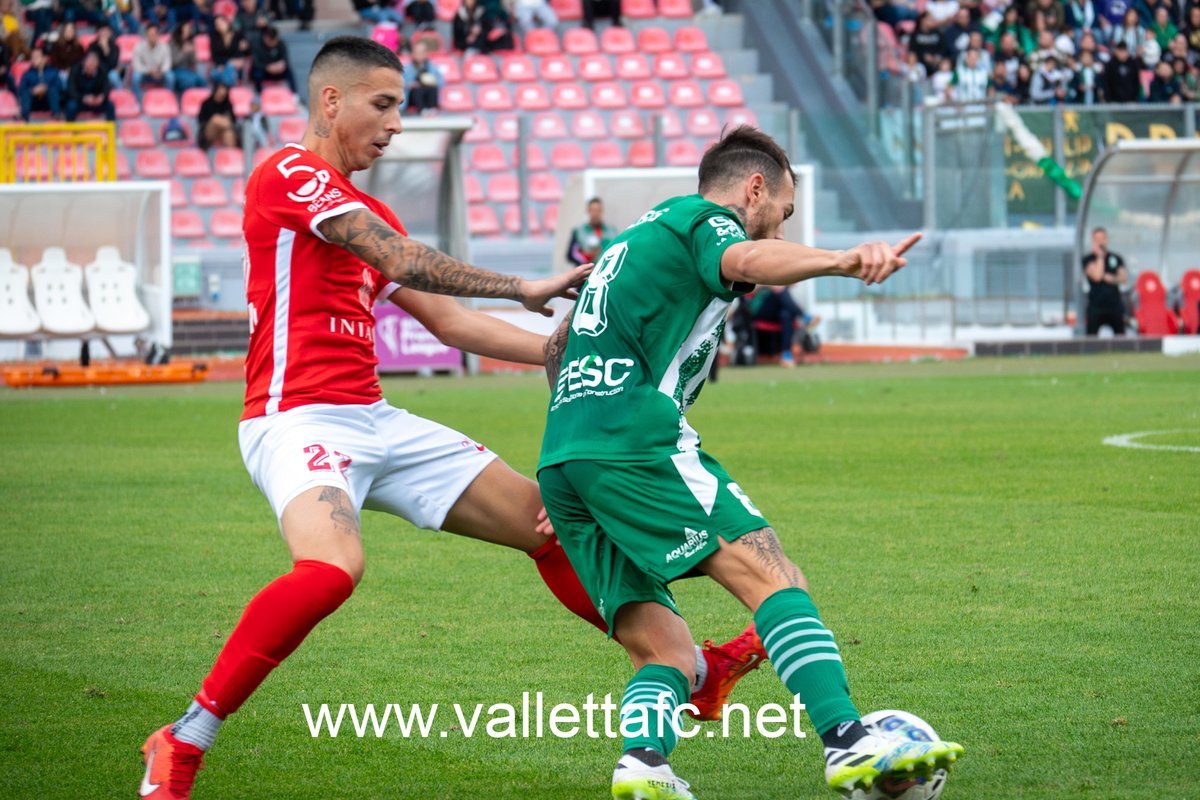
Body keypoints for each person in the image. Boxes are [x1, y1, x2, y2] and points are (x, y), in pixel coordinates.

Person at [138, 37, 765, 800]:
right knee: (334, 570)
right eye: (384, 103)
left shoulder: (368, 208)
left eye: (399, 106)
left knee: (550, 520)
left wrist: (574, 352)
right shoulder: (288, 175)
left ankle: (692, 670)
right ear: (330, 101)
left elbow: (456, 327)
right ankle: (184, 737)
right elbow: (401, 260)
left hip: (374, 417)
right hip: (294, 419)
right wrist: (523, 285)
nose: (396, 123)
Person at [536, 126, 964, 800]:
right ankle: (848, 742)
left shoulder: (626, 241)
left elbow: (557, 347)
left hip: (565, 454)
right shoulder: (704, 219)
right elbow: (745, 260)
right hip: (634, 437)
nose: (779, 227)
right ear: (754, 189)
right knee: (773, 573)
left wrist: (586, 434)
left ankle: (643, 767)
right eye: (783, 214)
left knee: (665, 649)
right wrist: (842, 262)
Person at [1082, 226, 1128, 335]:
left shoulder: (1116, 258)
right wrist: (1100, 257)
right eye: (1097, 240)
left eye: (1102, 239)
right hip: (1096, 306)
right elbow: (1097, 277)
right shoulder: (1088, 259)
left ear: (1106, 239)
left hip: (1114, 305)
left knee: (1120, 336)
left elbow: (1123, 278)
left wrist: (1112, 279)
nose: (1100, 242)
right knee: (1092, 337)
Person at [65, 49, 115, 119]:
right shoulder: (75, 70)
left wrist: (102, 97)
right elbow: (71, 90)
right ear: (84, 63)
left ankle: (111, 129)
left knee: (110, 106)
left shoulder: (102, 70)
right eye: (89, 64)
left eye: (94, 64)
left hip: (96, 100)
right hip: (80, 100)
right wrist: (83, 98)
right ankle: (70, 129)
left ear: (97, 64)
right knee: (71, 106)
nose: (91, 67)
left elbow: (106, 87)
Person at [567, 197, 615, 267]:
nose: (595, 214)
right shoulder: (579, 232)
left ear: (602, 211)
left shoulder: (611, 231)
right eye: (593, 210)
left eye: (598, 210)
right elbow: (571, 255)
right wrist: (588, 256)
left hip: (605, 272)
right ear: (588, 211)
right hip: (586, 274)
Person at [18, 47, 61, 120]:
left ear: (45, 58)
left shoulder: (53, 72)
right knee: (26, 93)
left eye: (37, 57)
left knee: (53, 91)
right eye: (32, 57)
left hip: (48, 101)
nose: (34, 59)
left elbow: (59, 87)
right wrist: (33, 90)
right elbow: (21, 89)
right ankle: (24, 117)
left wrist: (46, 88)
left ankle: (56, 116)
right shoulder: (27, 74)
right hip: (33, 102)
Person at [131, 22, 172, 99]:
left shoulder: (164, 46)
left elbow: (167, 64)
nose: (153, 37)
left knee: (170, 76)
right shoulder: (138, 46)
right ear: (146, 35)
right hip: (145, 74)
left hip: (159, 73)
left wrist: (160, 71)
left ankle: (168, 99)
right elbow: (136, 66)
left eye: (155, 34)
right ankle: (138, 102)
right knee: (136, 77)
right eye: (151, 34)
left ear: (158, 35)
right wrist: (149, 71)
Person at [250, 25, 296, 93]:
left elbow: (285, 60)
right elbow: (255, 63)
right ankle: (259, 95)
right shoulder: (256, 44)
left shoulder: (281, 44)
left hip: (278, 70)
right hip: (264, 70)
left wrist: (281, 65)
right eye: (271, 41)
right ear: (265, 38)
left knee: (289, 71)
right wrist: (267, 67)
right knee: (257, 73)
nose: (274, 43)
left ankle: (294, 95)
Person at [402, 37, 441, 114]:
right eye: (417, 53)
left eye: (422, 53)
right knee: (417, 90)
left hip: (427, 94)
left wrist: (433, 81)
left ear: (426, 54)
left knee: (433, 89)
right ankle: (422, 110)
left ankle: (432, 109)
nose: (419, 55)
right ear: (412, 54)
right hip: (413, 96)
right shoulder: (406, 68)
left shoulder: (432, 67)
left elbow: (440, 81)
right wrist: (409, 85)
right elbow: (400, 83)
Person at [208, 13, 248, 87]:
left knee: (229, 69)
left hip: (235, 68)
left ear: (227, 22)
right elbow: (215, 56)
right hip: (221, 66)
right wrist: (227, 63)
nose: (220, 26)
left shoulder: (238, 35)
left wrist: (231, 63)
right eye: (217, 24)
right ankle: (227, 88)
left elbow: (242, 55)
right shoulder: (214, 38)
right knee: (215, 73)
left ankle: (224, 89)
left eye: (221, 22)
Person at [169, 19, 207, 95]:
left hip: (187, 69)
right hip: (175, 69)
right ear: (180, 30)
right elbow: (173, 62)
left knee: (202, 80)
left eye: (188, 30)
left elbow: (193, 62)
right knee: (189, 81)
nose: (187, 32)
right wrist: (183, 52)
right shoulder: (172, 43)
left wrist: (192, 52)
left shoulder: (190, 42)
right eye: (185, 29)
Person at [197, 79, 237, 147]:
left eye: (223, 94)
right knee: (216, 118)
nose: (221, 96)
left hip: (223, 131)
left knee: (228, 134)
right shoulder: (206, 103)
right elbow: (201, 121)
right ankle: (237, 131)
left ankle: (231, 156)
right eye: (219, 93)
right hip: (208, 131)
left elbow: (233, 119)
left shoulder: (228, 105)